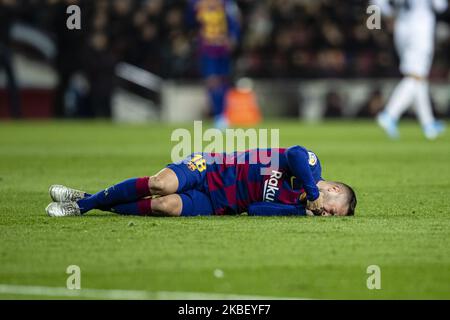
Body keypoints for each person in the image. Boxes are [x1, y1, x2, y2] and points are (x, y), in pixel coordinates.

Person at [45, 146, 357, 217]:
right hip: (210, 166)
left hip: (218, 202)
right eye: (333, 209)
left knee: (166, 206)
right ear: (334, 189)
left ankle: (91, 198)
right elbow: (295, 153)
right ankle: (84, 205)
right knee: (160, 185)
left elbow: (256, 209)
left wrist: (300, 210)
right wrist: (312, 191)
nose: (326, 214)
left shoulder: (300, 204)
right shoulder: (312, 172)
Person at [373, 0, 448, 139]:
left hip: (401, 26)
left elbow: (377, 3)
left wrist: (389, 14)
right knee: (415, 76)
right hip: (421, 27)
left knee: (418, 76)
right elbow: (440, 6)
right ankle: (389, 114)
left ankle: (428, 124)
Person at [187, 0, 240, 129]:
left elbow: (234, 22)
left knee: (223, 81)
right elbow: (189, 22)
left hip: (223, 48)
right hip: (207, 49)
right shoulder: (196, 3)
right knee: (212, 82)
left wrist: (233, 37)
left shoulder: (227, 4)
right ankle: (218, 115)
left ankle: (222, 114)